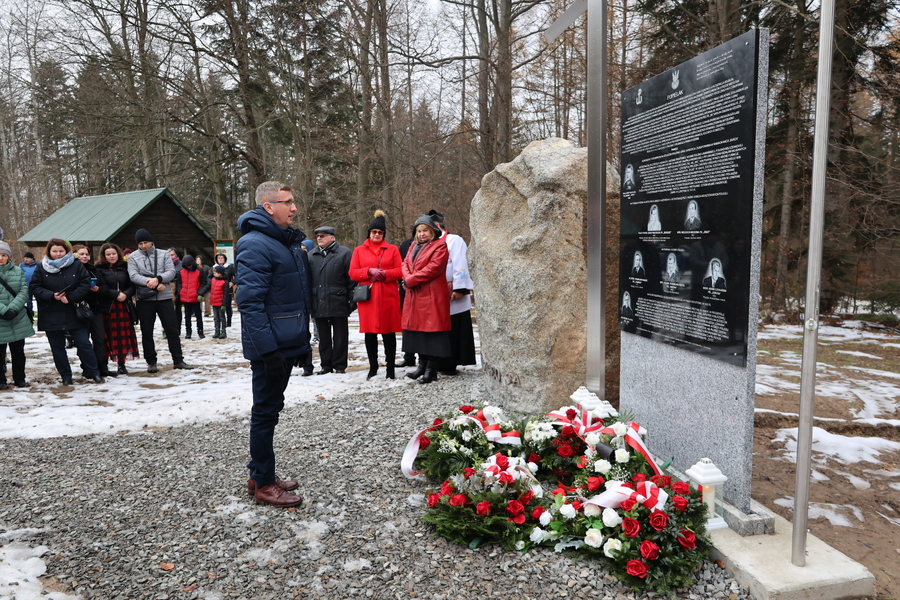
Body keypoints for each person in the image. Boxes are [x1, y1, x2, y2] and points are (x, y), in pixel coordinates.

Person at [235, 180, 311, 507]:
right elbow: (250, 304)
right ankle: (264, 484)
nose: (294, 208)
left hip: (286, 343)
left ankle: (258, 472)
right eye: (288, 202)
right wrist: (269, 352)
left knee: (270, 410)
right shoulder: (255, 244)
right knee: (265, 414)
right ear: (269, 206)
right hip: (272, 348)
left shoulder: (283, 241)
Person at [30, 238, 104, 385]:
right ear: (49, 252)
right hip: (50, 312)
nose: (58, 254)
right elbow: (35, 287)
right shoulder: (41, 267)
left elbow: (85, 283)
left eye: (61, 251)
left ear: (66, 251)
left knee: (84, 343)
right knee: (57, 347)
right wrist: (52, 296)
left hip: (73, 311)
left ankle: (94, 372)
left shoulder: (76, 265)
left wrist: (70, 297)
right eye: (55, 251)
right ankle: (66, 376)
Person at [128, 229, 193, 373]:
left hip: (164, 297)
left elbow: (170, 271)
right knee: (147, 332)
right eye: (140, 243)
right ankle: (151, 361)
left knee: (172, 330)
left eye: (145, 242)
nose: (143, 246)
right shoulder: (133, 257)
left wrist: (159, 279)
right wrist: (149, 281)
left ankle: (178, 360)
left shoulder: (164, 254)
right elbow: (133, 275)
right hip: (145, 298)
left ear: (151, 241)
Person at [349, 210, 402, 380]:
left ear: (384, 234)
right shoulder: (359, 250)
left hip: (388, 296)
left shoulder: (392, 249)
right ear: (369, 233)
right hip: (368, 298)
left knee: (389, 333)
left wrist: (385, 274)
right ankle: (373, 367)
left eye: (380, 232)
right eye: (374, 232)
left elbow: (400, 271)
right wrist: (368, 271)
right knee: (369, 333)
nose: (377, 235)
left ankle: (391, 368)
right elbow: (352, 273)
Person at [401, 214, 450, 384]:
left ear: (433, 231)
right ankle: (421, 366)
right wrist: (408, 278)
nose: (422, 234)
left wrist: (411, 280)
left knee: (432, 334)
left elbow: (433, 268)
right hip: (415, 294)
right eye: (419, 231)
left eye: (425, 231)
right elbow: (405, 264)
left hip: (431, 296)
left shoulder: (440, 246)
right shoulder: (413, 245)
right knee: (418, 334)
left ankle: (431, 369)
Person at [428, 210, 476, 376]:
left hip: (452, 292)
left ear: (438, 226)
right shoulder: (425, 242)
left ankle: (450, 362)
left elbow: (460, 263)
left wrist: (460, 288)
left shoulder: (453, 240)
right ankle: (435, 361)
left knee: (453, 328)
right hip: (432, 294)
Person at [308, 225, 356, 375]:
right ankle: (326, 365)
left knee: (341, 336)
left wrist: (351, 302)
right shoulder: (311, 255)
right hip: (319, 301)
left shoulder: (345, 253)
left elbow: (352, 280)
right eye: (318, 236)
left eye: (323, 235)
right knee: (323, 336)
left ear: (332, 237)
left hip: (339, 301)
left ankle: (340, 365)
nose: (319, 238)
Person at [95, 243, 140, 375]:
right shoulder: (99, 268)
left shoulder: (125, 267)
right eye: (108, 254)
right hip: (107, 306)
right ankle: (104, 365)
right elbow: (101, 286)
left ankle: (122, 364)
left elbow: (133, 284)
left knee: (122, 336)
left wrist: (126, 294)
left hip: (123, 305)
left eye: (113, 254)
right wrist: (115, 294)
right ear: (104, 256)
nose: (111, 256)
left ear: (118, 254)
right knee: (106, 335)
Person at [0, 241, 35, 389]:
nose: (1, 258)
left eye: (3, 255)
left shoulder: (18, 271)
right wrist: (4, 310)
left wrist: (13, 309)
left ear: (9, 256)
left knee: (18, 353)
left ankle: (20, 379)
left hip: (17, 317)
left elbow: (23, 290)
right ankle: (1, 381)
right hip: (1, 319)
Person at [72, 245, 109, 377]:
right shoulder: (71, 270)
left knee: (99, 339)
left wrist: (98, 288)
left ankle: (102, 367)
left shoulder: (94, 270)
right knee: (83, 342)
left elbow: (105, 287)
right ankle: (87, 368)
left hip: (96, 309)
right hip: (79, 309)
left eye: (86, 254)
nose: (84, 256)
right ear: (75, 255)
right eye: (81, 254)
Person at [177, 254, 208, 339]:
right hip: (185, 297)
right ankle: (188, 332)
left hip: (195, 297)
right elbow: (179, 283)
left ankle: (200, 332)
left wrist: (200, 293)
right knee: (187, 316)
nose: (188, 267)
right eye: (186, 266)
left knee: (198, 316)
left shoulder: (199, 271)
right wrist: (180, 291)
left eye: (189, 265)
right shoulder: (181, 272)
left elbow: (204, 282)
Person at [204, 265, 229, 338]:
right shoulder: (213, 280)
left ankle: (223, 331)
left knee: (222, 317)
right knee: (216, 317)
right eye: (214, 273)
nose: (214, 274)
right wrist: (200, 293)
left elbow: (226, 293)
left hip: (221, 303)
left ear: (220, 273)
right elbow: (207, 287)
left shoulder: (224, 282)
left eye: (216, 273)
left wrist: (224, 304)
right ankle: (217, 330)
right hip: (214, 302)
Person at [214, 253, 236, 327]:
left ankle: (229, 321)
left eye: (222, 258)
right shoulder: (214, 267)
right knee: (218, 308)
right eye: (219, 258)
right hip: (217, 290)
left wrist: (232, 282)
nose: (220, 259)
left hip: (227, 290)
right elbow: (209, 277)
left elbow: (237, 275)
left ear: (225, 259)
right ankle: (219, 322)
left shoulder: (229, 267)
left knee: (228, 306)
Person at [18, 251, 37, 321]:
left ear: (32, 259)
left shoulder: (38, 264)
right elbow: (18, 274)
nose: (26, 260)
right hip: (27, 286)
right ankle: (30, 315)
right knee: (28, 301)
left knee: (40, 300)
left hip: (36, 286)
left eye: (27, 258)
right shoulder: (22, 265)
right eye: (25, 258)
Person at [167, 247, 183, 333]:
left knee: (178, 310)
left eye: (172, 255)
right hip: (167, 288)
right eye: (169, 255)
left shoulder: (180, 264)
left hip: (178, 288)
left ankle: (178, 328)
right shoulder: (164, 264)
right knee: (168, 310)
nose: (171, 257)